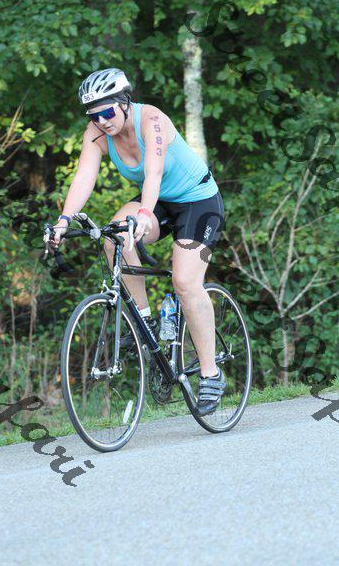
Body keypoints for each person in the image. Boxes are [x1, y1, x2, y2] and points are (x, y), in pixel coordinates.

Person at [50, 67, 226, 416]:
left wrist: (145, 213)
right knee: (114, 235)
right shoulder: (97, 134)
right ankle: (143, 322)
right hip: (159, 200)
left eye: (107, 112)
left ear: (124, 102)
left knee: (185, 283)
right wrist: (63, 220)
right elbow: (84, 176)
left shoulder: (152, 120)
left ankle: (211, 373)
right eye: (94, 115)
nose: (102, 121)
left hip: (199, 201)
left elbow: (154, 172)